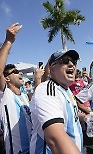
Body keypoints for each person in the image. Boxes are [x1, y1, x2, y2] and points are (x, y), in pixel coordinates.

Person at [30, 50, 93, 154]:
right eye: (65, 61)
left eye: (74, 62)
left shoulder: (66, 90)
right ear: (52, 69)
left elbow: (70, 113)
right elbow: (55, 139)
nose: (71, 64)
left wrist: (85, 116)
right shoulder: (47, 90)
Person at [0, 23, 32, 153]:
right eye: (16, 71)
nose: (20, 73)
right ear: (6, 78)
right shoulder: (5, 94)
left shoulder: (24, 96)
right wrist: (8, 41)